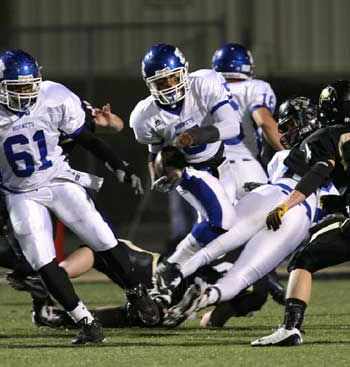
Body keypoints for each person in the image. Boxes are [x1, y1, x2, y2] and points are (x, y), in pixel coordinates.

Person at [0, 49, 159, 344]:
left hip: (59, 179)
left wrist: (119, 165)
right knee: (41, 259)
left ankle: (137, 294)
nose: (27, 93)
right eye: (18, 88)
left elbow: (86, 138)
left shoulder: (55, 96)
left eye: (31, 85)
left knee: (103, 238)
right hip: (20, 193)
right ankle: (87, 323)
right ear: (0, 86)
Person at [160, 96, 338, 329]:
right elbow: (326, 206)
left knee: (214, 247)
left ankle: (168, 284)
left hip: (269, 193)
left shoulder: (280, 157)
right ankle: (209, 296)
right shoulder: (332, 160)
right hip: (299, 215)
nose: (284, 133)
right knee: (243, 275)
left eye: (288, 126)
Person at [129, 44, 241, 301]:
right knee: (223, 218)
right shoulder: (144, 116)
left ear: (184, 71)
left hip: (221, 164)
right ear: (149, 83)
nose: (169, 84)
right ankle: (174, 270)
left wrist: (197, 135)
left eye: (172, 76)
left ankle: (178, 277)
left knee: (219, 229)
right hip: (188, 170)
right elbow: (155, 152)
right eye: (161, 80)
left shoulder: (204, 83)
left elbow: (231, 125)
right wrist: (156, 174)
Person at [251, 80, 350, 346]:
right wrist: (335, 205)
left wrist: (285, 205)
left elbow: (318, 172)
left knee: (303, 260)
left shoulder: (329, 135)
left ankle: (289, 328)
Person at [211, 43, 283, 199]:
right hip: (246, 167)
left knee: (215, 220)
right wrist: (288, 152)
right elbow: (263, 121)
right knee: (264, 218)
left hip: (213, 168)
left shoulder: (207, 89)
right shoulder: (255, 87)